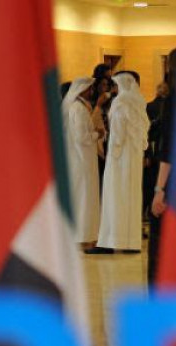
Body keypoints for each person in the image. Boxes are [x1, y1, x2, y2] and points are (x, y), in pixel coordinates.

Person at [90, 73, 150, 254]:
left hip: (119, 160)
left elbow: (117, 136)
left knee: (114, 197)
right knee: (131, 198)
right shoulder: (139, 103)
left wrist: (112, 154)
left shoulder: (120, 103)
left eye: (115, 85)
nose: (114, 89)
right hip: (134, 159)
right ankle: (131, 243)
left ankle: (109, 242)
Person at [149, 46, 176, 285]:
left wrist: (159, 190)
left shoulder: (174, 100)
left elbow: (168, 149)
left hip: (175, 181)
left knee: (164, 245)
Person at [63, 77, 105, 246]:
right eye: (89, 88)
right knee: (84, 198)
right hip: (82, 161)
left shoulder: (78, 107)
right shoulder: (78, 109)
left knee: (83, 197)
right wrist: (97, 134)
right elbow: (81, 137)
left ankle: (85, 235)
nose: (91, 91)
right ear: (82, 90)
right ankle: (83, 237)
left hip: (82, 160)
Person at [145, 83, 169, 217]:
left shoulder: (149, 106)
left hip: (152, 146)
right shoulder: (167, 106)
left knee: (150, 178)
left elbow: (146, 130)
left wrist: (147, 153)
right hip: (163, 146)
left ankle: (149, 209)